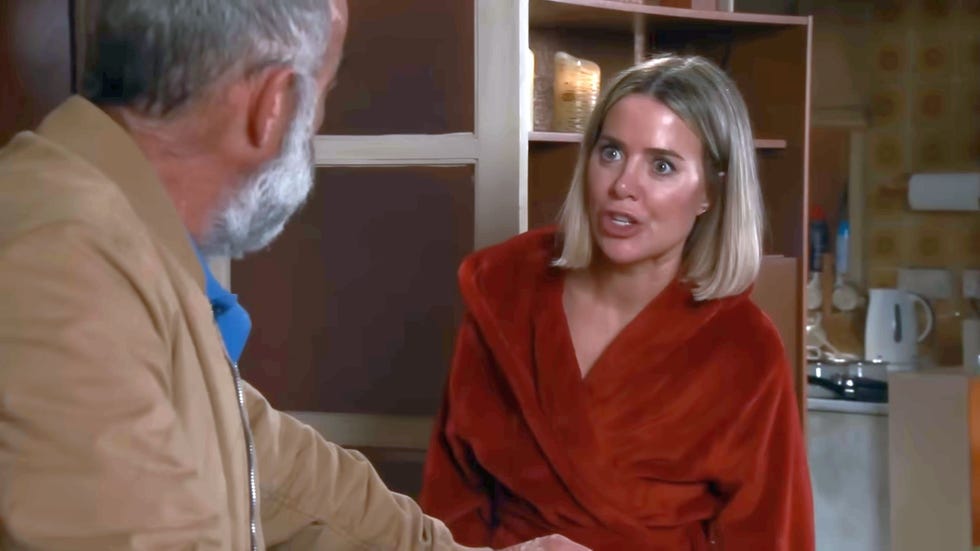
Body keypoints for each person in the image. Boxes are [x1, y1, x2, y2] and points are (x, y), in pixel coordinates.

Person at [0, 1, 589, 550]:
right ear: (273, 106)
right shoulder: (61, 258)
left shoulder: (117, 239)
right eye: (323, 94)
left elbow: (273, 466)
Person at [419, 54, 815, 550]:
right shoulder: (504, 291)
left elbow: (773, 536)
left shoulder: (743, 347)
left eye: (662, 166)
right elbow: (453, 493)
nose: (623, 185)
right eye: (610, 153)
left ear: (711, 192)